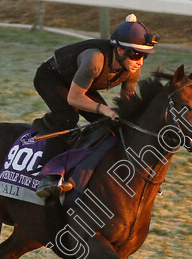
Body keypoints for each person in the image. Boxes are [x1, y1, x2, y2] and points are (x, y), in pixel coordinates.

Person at [32, 14, 160, 198]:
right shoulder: (95, 59)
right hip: (52, 77)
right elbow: (74, 98)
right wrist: (104, 109)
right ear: (119, 50)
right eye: (135, 54)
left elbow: (127, 103)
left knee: (110, 124)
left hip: (82, 83)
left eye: (144, 56)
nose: (139, 61)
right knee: (68, 117)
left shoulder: (133, 69)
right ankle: (48, 176)